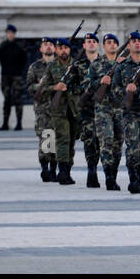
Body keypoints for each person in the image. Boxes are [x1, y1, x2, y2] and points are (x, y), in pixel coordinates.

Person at [111, 30, 140, 195]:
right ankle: (133, 180)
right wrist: (126, 90)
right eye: (134, 41)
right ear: (129, 45)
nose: (137, 43)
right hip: (130, 113)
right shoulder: (122, 67)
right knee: (133, 147)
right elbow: (114, 91)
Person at [38, 36, 81, 185]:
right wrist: (55, 88)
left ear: (69, 50)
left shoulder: (77, 65)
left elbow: (84, 85)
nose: (63, 51)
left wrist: (71, 86)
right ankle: (63, 172)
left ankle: (67, 170)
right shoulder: (51, 67)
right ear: (56, 50)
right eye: (60, 48)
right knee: (63, 140)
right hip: (58, 110)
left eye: (66, 48)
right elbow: (42, 89)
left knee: (71, 142)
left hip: (74, 109)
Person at [92, 33, 126, 191]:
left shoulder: (124, 64)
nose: (112, 45)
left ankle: (114, 173)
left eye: (114, 43)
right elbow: (87, 86)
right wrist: (100, 81)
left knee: (118, 144)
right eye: (109, 43)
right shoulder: (96, 64)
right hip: (103, 109)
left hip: (120, 109)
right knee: (107, 141)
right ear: (104, 46)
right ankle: (109, 177)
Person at [26, 38, 57, 182]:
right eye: (45, 45)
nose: (48, 47)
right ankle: (45, 167)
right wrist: (39, 85)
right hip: (42, 108)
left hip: (59, 108)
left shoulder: (61, 66)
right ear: (41, 49)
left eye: (51, 45)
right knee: (45, 137)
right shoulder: (35, 67)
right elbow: (29, 87)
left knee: (58, 138)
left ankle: (54, 168)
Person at [75, 31, 103, 188]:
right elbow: (71, 88)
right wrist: (84, 90)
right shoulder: (77, 66)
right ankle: (91, 170)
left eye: (94, 41)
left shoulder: (106, 64)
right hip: (86, 110)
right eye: (88, 41)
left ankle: (108, 173)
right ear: (84, 45)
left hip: (103, 109)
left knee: (103, 141)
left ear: (98, 45)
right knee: (90, 140)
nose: (91, 43)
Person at [0, 24, 27, 131]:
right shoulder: (3, 46)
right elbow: (1, 59)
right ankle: (5, 123)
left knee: (18, 99)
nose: (10, 35)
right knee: (7, 100)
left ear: (14, 34)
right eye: (8, 33)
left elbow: (23, 60)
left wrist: (18, 71)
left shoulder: (18, 47)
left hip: (16, 76)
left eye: (11, 33)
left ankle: (19, 123)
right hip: (6, 76)